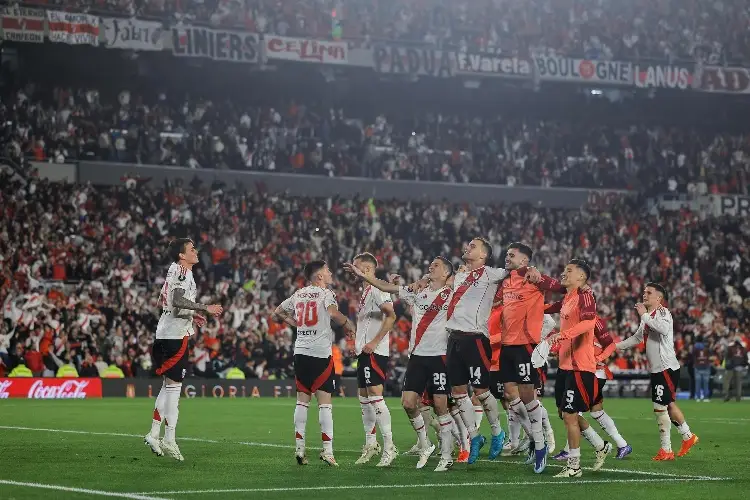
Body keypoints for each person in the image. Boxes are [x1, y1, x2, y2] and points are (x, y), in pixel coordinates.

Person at [346, 256, 456, 472]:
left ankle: (446, 454)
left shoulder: (451, 294)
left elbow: (464, 279)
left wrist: (434, 279)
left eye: (436, 266)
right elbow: (387, 287)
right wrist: (365, 276)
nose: (430, 266)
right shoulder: (418, 292)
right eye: (430, 264)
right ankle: (425, 444)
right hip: (417, 356)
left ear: (446, 274)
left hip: (440, 356)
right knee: (407, 403)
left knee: (441, 406)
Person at [145, 238, 223, 461]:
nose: (196, 251)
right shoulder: (182, 271)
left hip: (165, 333)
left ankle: (153, 433)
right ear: (182, 255)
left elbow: (167, 301)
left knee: (167, 387)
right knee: (174, 391)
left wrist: (193, 314)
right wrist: (204, 308)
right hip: (175, 337)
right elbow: (178, 300)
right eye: (191, 249)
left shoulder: (174, 270)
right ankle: (169, 439)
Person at [273, 260, 356, 467]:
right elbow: (333, 313)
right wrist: (348, 324)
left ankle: (300, 448)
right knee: (324, 403)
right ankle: (327, 451)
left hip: (300, 352)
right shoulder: (326, 294)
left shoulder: (299, 294)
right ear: (319, 276)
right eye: (327, 271)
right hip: (320, 354)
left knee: (302, 400)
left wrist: (297, 324)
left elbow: (278, 312)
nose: (330, 273)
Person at [499, 242, 565, 473]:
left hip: (525, 345)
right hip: (506, 346)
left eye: (512, 255)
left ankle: (540, 446)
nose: (507, 257)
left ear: (524, 261)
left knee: (528, 396)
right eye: (506, 254)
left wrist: (539, 275)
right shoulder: (505, 281)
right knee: (509, 395)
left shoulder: (534, 278)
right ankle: (535, 441)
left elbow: (562, 288)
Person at [616, 283, 699, 461]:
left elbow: (662, 329)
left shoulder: (663, 313)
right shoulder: (649, 316)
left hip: (665, 367)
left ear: (658, 298)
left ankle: (666, 450)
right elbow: (638, 337)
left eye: (649, 293)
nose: (644, 295)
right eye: (644, 291)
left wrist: (643, 315)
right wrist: (616, 347)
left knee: (660, 407)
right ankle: (688, 436)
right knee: (668, 404)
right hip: (659, 369)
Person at [545, 259, 609, 478]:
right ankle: (600, 445)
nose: (564, 273)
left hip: (580, 368)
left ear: (581, 277)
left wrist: (561, 336)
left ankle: (574, 466)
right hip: (565, 366)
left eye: (569, 271)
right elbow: (551, 314)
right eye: (564, 269)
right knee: (565, 413)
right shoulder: (567, 298)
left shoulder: (585, 296)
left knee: (571, 415)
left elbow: (589, 323)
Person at [552, 314, 631, 461]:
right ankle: (622, 444)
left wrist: (596, 359)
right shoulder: (572, 320)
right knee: (594, 411)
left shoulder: (595, 321)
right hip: (579, 371)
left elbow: (610, 345)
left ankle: (573, 450)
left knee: (573, 411)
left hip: (593, 373)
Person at [349, 253, 398, 466]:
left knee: (375, 398)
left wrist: (374, 343)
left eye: (357, 266)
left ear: (367, 269)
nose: (353, 270)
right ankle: (371, 444)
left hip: (375, 352)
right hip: (364, 352)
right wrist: (359, 345)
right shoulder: (367, 290)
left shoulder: (377, 289)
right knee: (364, 399)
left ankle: (389, 446)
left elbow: (391, 316)